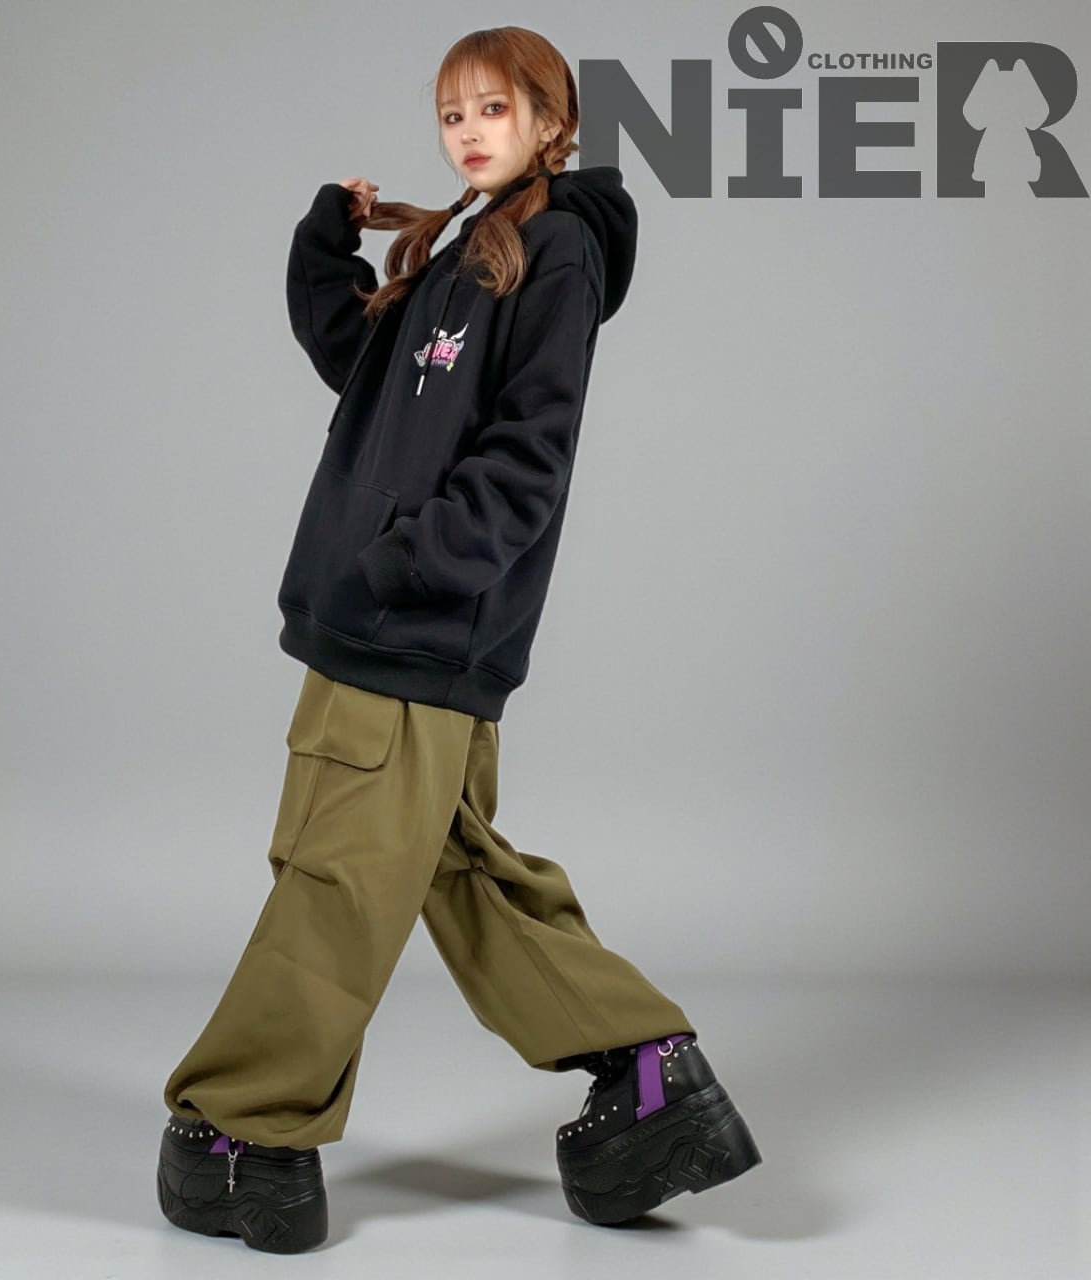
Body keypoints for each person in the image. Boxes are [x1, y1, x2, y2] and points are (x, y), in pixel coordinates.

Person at [156, 26, 761, 1255]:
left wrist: (403, 565)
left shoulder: (553, 250)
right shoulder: (463, 246)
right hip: (405, 624)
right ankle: (646, 1078)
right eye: (450, 113)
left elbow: (530, 453)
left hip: (408, 627)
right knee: (454, 866)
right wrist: (323, 245)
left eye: (494, 107)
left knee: (334, 872)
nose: (468, 131)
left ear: (552, 121)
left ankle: (245, 1130)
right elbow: (364, 369)